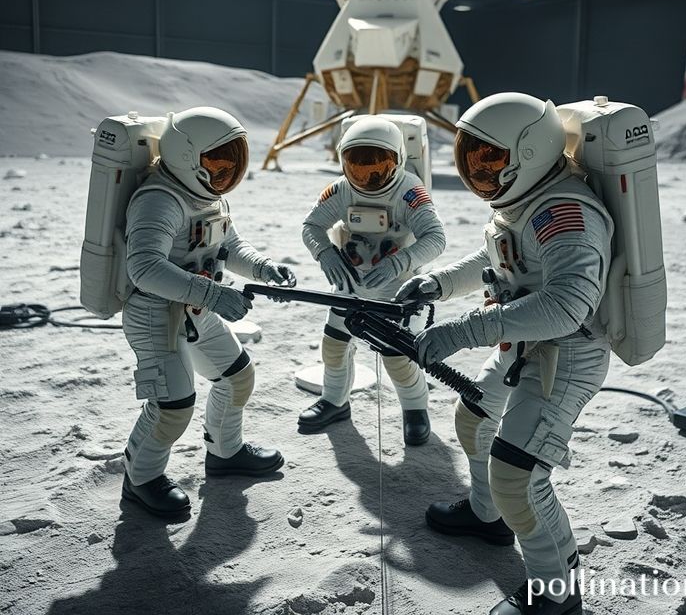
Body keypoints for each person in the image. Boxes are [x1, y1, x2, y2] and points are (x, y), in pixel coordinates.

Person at [396, 93, 613, 615]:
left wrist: (461, 330)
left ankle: (554, 592)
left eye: (491, 159)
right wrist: (439, 284)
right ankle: (487, 517)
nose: (478, 170)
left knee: (518, 475)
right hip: (527, 345)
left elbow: (567, 306)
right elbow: (501, 258)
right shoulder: (528, 202)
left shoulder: (564, 212)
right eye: (472, 157)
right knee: (474, 418)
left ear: (530, 154)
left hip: (566, 356)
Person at [121, 106, 296, 517]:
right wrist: (214, 295)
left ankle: (225, 453)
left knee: (237, 377)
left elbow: (227, 245)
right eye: (217, 163)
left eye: (233, 162)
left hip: (195, 309)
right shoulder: (160, 200)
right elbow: (144, 267)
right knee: (173, 406)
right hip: (155, 317)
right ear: (186, 159)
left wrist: (262, 267)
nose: (226, 173)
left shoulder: (204, 197)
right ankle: (140, 478)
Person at [298, 116, 446, 445]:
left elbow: (435, 238)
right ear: (343, 160)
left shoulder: (409, 192)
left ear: (398, 159)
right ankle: (335, 401)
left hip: (395, 286)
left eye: (378, 165)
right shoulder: (340, 189)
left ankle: (415, 409)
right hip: (349, 281)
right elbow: (311, 226)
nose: (367, 175)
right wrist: (326, 254)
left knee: (397, 358)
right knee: (334, 347)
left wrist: (400, 262)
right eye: (357, 165)